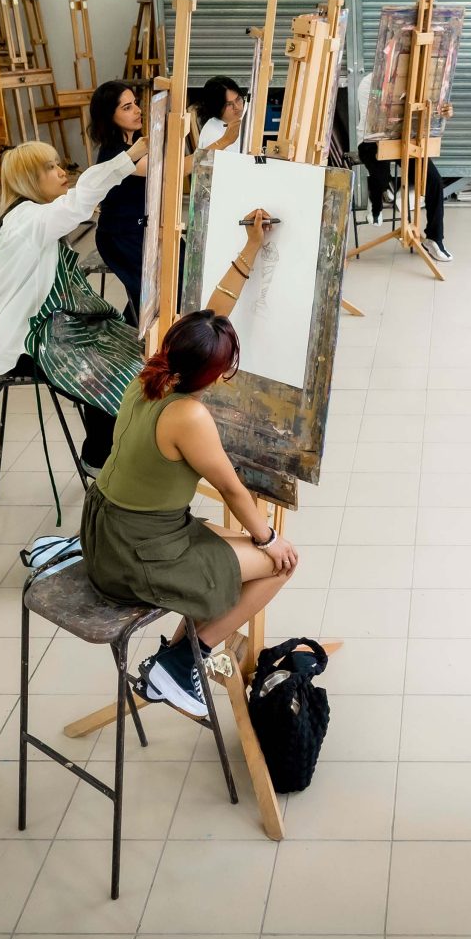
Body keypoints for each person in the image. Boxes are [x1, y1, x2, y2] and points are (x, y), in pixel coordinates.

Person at [86, 212, 301, 716]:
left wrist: (251, 248)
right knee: (278, 564)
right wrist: (272, 540)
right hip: (136, 555)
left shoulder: (155, 368)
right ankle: (186, 660)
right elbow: (230, 489)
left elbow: (209, 314)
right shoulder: (189, 415)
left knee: (239, 548)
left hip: (109, 530)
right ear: (217, 372)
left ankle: (177, 655)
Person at [0, 138, 147, 473]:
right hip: (33, 342)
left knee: (132, 347)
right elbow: (78, 203)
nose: (62, 172)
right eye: (50, 168)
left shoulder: (32, 216)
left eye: (59, 164)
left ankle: (111, 446)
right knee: (117, 366)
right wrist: (129, 158)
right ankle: (98, 457)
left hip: (57, 324)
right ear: (29, 179)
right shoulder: (27, 220)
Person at [86, 79, 149, 322]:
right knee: (151, 291)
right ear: (108, 116)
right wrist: (218, 145)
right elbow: (164, 168)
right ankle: (136, 338)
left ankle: (133, 332)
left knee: (179, 266)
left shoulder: (134, 145)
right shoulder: (115, 153)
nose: (137, 110)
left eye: (135, 104)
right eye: (127, 107)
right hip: (120, 237)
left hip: (139, 229)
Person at [357, 136, 453, 264]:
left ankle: (434, 238)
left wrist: (442, 115)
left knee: (434, 181)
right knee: (381, 173)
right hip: (373, 141)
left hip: (408, 141)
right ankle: (376, 199)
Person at [195, 75, 246, 153]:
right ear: (216, 108)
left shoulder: (232, 121)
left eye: (238, 99)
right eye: (229, 104)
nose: (237, 107)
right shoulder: (212, 135)